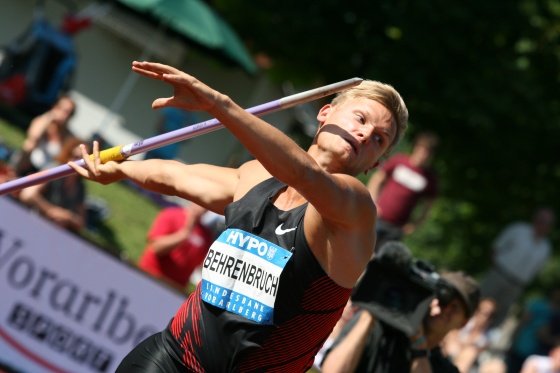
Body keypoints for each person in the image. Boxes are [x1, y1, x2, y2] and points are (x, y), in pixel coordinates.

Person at [68, 61, 409, 372]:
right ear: (324, 113)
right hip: (171, 358)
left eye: (380, 139)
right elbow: (176, 177)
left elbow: (305, 174)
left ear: (374, 165)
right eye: (360, 118)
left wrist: (218, 104)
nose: (365, 135)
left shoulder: (355, 211)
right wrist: (119, 169)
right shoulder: (256, 178)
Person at [320, 270, 480, 373]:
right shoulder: (378, 329)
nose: (443, 309)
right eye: (441, 299)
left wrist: (419, 346)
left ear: (463, 324)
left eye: (455, 307)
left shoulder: (445, 369)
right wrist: (371, 313)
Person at [480, 207, 556, 326]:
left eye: (547, 222)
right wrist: (494, 269)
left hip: (517, 285)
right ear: (535, 218)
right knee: (480, 302)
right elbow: (495, 248)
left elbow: (537, 269)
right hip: (499, 274)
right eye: (541, 220)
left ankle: (483, 339)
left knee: (500, 314)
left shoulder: (546, 247)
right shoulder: (518, 229)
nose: (543, 224)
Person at [366, 131, 439, 249]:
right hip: (376, 216)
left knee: (383, 260)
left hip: (396, 228)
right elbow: (377, 179)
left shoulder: (429, 179)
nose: (423, 154)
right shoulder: (399, 161)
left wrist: (414, 225)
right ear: (416, 147)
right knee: (362, 249)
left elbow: (428, 207)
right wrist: (372, 202)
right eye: (422, 149)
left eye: (428, 152)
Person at [137, 201, 215, 291]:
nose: (202, 209)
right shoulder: (171, 215)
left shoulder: (206, 236)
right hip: (148, 277)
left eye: (206, 207)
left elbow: (204, 268)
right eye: (200, 204)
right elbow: (155, 248)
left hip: (174, 290)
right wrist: (183, 235)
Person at [19, 137, 87, 233]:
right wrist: (51, 211)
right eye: (75, 156)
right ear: (68, 154)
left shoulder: (80, 187)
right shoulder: (55, 170)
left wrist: (67, 217)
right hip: (32, 225)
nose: (78, 162)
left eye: (83, 159)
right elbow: (27, 195)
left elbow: (81, 222)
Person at [14, 95, 76, 176]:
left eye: (67, 112)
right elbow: (33, 137)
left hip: (47, 172)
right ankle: (16, 173)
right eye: (61, 109)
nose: (63, 114)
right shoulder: (43, 122)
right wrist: (49, 117)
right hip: (30, 162)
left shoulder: (68, 136)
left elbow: (63, 159)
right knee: (29, 144)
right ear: (55, 107)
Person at [442, 297, 499, 373]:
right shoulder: (465, 321)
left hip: (472, 362)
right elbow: (451, 334)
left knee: (470, 353)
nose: (484, 317)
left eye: (488, 314)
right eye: (481, 311)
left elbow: (482, 352)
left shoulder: (490, 335)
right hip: (453, 351)